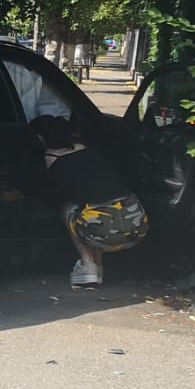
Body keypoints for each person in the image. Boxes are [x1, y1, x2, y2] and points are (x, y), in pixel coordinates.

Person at [31, 115, 148, 289]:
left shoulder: (51, 158)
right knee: (92, 212)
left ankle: (88, 264)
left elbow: (53, 197)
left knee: (70, 208)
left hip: (106, 230)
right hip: (137, 225)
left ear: (41, 138)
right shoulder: (89, 150)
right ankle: (97, 268)